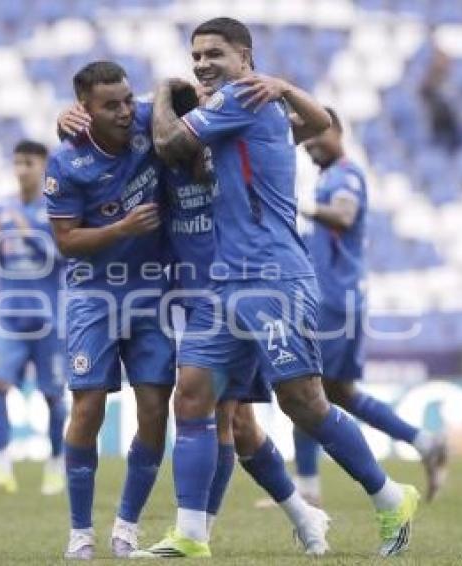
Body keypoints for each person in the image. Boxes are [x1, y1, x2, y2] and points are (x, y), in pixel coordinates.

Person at [136, 18, 418, 558]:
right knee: (191, 396)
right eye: (195, 56)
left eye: (214, 54)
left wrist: (162, 91)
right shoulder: (245, 105)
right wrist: (287, 90)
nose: (201, 64)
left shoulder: (240, 96)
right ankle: (191, 534)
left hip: (272, 276)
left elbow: (169, 142)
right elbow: (314, 124)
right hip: (226, 279)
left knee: (303, 402)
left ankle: (390, 497)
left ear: (245, 58)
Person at [58, 81, 331, 556]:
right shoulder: (164, 157)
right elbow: (114, 121)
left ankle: (205, 531)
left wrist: (283, 90)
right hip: (186, 302)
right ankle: (300, 517)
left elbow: (308, 127)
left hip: (235, 295)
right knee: (233, 422)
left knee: (231, 421)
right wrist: (69, 120)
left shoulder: (232, 152)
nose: (202, 123)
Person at [45, 61, 176, 559]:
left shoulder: (148, 120)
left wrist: (164, 92)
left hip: (151, 292)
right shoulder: (66, 162)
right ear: (85, 109)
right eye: (110, 106)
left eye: (127, 100)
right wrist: (122, 229)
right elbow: (65, 241)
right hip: (93, 295)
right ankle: (80, 531)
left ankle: (127, 525)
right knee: (88, 408)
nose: (125, 112)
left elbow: (187, 101)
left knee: (154, 410)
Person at [292, 107, 448, 505]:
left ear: (337, 132)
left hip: (333, 300)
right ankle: (424, 442)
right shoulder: (329, 177)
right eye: (304, 139)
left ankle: (308, 490)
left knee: (303, 387)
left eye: (316, 135)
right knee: (340, 393)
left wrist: (297, 205)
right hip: (340, 297)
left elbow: (344, 215)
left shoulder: (346, 175)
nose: (309, 145)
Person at [0, 140, 67, 498]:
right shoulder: (1, 209)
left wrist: (25, 232)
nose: (21, 170)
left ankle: (55, 467)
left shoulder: (56, 209)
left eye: (28, 163)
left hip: (49, 318)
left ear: (43, 167)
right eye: (17, 163)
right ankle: (1, 469)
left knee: (53, 396)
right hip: (9, 318)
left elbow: (61, 257)